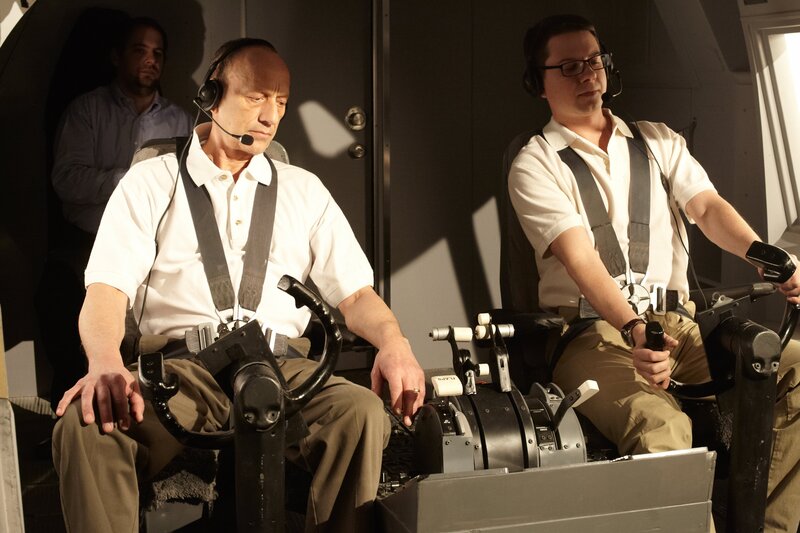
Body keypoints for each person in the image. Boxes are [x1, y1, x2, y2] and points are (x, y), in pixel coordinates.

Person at [51, 38, 425, 532]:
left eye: (281, 102)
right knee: (88, 426)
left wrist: (395, 343)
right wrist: (103, 363)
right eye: (256, 97)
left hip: (284, 369)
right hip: (182, 372)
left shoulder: (305, 190)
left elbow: (355, 295)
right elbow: (106, 290)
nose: (271, 116)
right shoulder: (149, 183)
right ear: (211, 96)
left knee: (359, 413)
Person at [508, 14, 799, 531]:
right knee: (662, 426)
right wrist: (633, 327)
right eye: (569, 66)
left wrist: (764, 254)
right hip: (592, 334)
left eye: (594, 61)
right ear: (538, 83)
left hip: (679, 326)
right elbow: (580, 259)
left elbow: (707, 208)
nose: (588, 74)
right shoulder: (536, 163)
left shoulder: (657, 141)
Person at [40, 16, 193, 407]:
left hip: (153, 246)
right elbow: (67, 180)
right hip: (86, 243)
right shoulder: (87, 111)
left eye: (158, 53)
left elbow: (186, 189)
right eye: (140, 50)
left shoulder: (179, 121)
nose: (150, 60)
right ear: (116, 57)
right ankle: (69, 415)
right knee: (62, 306)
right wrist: (135, 182)